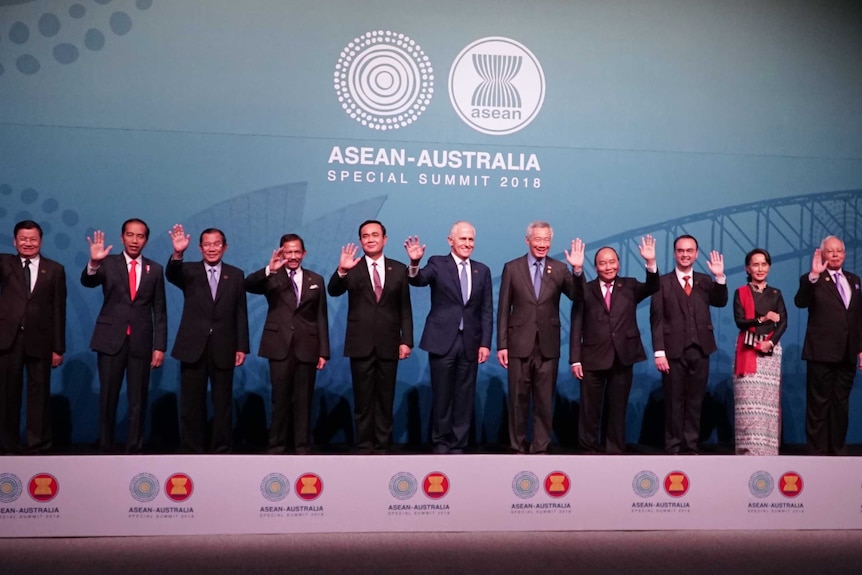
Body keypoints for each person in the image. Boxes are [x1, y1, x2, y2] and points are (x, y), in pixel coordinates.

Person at [404, 221, 493, 454]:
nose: (467, 244)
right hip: (443, 341)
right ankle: (441, 442)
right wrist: (414, 262)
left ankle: (459, 443)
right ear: (450, 241)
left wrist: (485, 343)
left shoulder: (482, 270)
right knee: (442, 395)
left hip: (470, 343)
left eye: (471, 239)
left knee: (464, 396)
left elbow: (486, 310)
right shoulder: (437, 263)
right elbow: (418, 280)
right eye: (462, 239)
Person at [497, 221, 584, 454]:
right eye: (538, 239)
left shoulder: (559, 269)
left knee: (545, 401)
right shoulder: (512, 268)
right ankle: (517, 445)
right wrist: (502, 345)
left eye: (546, 240)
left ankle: (540, 447)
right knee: (517, 399)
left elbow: (578, 296)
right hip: (518, 344)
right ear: (528, 241)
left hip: (548, 345)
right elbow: (503, 309)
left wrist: (577, 271)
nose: (542, 244)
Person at [81, 219, 167, 453]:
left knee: (138, 400)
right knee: (108, 398)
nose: (134, 240)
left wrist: (159, 346)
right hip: (110, 339)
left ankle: (134, 448)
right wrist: (93, 263)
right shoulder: (106, 263)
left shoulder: (155, 269)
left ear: (146, 240)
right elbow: (88, 281)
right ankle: (105, 447)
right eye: (130, 235)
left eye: (140, 236)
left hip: (141, 341)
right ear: (122, 238)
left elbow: (159, 311)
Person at [328, 220, 413, 454]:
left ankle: (383, 445)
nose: (370, 239)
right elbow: (333, 290)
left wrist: (406, 340)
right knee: (363, 400)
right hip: (360, 343)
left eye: (375, 235)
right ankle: (364, 445)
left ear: (385, 239)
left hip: (389, 343)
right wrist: (342, 271)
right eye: (365, 236)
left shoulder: (398, 269)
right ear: (360, 241)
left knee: (385, 399)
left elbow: (405, 308)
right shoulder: (351, 267)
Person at [570, 237, 659, 454]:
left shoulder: (629, 286)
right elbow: (576, 324)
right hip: (591, 357)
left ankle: (614, 450)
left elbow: (652, 286)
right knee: (590, 409)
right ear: (596, 267)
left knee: (617, 408)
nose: (608, 267)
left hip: (623, 356)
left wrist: (650, 263)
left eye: (612, 262)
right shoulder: (585, 290)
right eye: (602, 263)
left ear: (618, 263)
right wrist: (575, 358)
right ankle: (588, 449)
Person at [166, 225, 249, 454]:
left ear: (225, 247)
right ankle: (193, 450)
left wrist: (242, 346)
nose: (212, 249)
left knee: (222, 404)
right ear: (200, 248)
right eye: (207, 244)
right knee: (192, 403)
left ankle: (221, 449)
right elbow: (171, 274)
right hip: (193, 346)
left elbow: (240, 312)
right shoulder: (188, 271)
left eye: (216, 244)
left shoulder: (235, 274)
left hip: (224, 346)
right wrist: (177, 254)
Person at [245, 233, 329, 455]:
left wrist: (324, 351)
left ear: (304, 253)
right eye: (288, 252)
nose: (292, 256)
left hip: (307, 347)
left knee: (303, 400)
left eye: (296, 252)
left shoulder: (316, 280)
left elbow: (321, 317)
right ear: (281, 252)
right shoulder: (272, 276)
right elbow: (248, 285)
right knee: (280, 398)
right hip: (279, 345)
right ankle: (277, 445)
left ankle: (302, 446)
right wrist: (269, 269)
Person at [650, 234, 727, 455]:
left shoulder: (704, 281)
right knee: (674, 401)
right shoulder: (662, 283)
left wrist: (720, 277)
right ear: (675, 253)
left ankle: (690, 445)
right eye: (681, 251)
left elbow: (720, 301)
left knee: (695, 400)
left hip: (701, 349)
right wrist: (659, 352)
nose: (685, 254)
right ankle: (673, 446)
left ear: (696, 253)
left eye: (689, 251)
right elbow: (656, 319)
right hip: (672, 351)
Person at [0, 220, 66, 455]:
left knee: (39, 395)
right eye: (23, 239)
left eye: (33, 239)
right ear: (14, 241)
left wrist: (58, 348)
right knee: (8, 394)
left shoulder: (55, 269)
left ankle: (37, 445)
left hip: (41, 341)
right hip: (8, 340)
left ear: (41, 241)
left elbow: (59, 310)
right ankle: (8, 444)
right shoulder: (4, 263)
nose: (28, 243)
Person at [794, 235, 862, 455]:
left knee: (840, 404)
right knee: (819, 405)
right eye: (831, 251)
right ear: (822, 253)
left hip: (847, 354)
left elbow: (857, 317)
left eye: (839, 251)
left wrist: (860, 348)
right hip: (821, 353)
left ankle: (838, 451)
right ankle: (818, 452)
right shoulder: (813, 279)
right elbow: (800, 301)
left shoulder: (854, 280)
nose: (835, 254)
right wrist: (813, 276)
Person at [732, 248, 787, 456]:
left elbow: (783, 322)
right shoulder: (741, 292)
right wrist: (763, 319)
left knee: (768, 403)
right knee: (748, 402)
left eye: (764, 264)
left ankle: (768, 450)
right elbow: (740, 321)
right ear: (748, 268)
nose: (760, 268)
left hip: (769, 352)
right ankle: (748, 450)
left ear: (769, 267)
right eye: (755, 264)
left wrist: (771, 343)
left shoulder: (775, 293)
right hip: (747, 348)